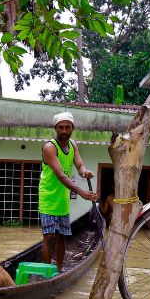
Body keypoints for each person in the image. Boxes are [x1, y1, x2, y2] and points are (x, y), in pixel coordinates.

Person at [38, 111, 98, 272]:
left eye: (67, 127)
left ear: (73, 128)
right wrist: (82, 193)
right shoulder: (50, 148)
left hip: (63, 199)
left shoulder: (73, 145)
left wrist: (85, 171)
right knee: (49, 236)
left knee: (62, 236)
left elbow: (79, 166)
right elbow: (61, 176)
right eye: (60, 127)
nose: (64, 131)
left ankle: (58, 269)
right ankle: (45, 272)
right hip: (48, 198)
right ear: (55, 128)